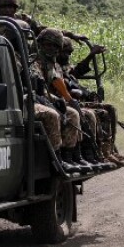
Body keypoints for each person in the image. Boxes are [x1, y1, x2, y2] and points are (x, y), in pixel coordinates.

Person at [57, 37, 124, 166]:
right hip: (66, 102)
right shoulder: (54, 68)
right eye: (65, 52)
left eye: (69, 53)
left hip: (75, 101)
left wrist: (91, 55)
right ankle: (99, 153)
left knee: (110, 109)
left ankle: (109, 151)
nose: (67, 56)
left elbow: (77, 70)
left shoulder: (63, 68)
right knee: (98, 113)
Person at [30, 28, 91, 170]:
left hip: (50, 100)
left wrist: (66, 99)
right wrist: (54, 101)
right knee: (53, 115)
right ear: (40, 44)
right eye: (47, 45)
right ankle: (56, 159)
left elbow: (61, 85)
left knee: (74, 113)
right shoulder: (34, 61)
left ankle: (70, 156)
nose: (51, 49)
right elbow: (38, 87)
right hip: (34, 100)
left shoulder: (55, 65)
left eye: (55, 46)